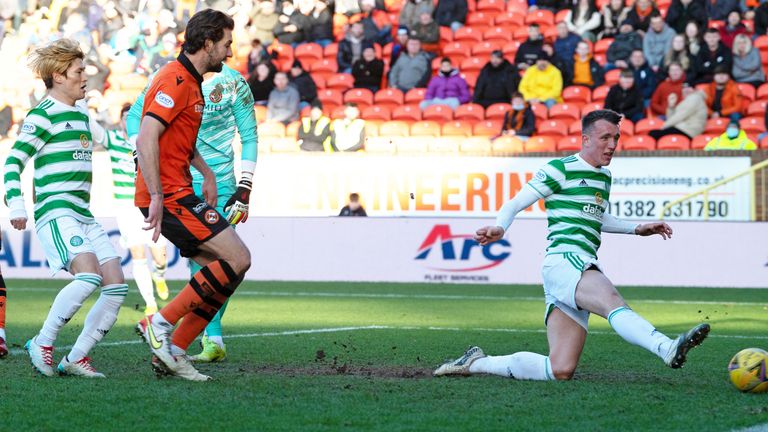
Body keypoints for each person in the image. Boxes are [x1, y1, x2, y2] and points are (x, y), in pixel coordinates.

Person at [434, 109, 710, 381]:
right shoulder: (561, 168)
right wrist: (499, 227)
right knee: (611, 301)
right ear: (586, 139)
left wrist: (636, 228)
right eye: (605, 138)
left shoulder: (603, 176)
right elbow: (516, 202)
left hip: (574, 265)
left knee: (559, 369)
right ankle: (666, 347)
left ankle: (477, 363)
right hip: (566, 259)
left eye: (616, 138)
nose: (612, 145)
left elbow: (596, 216)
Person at [134, 9, 252, 381]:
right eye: (226, 44)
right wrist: (156, 193)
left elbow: (179, 139)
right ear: (208, 43)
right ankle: (160, 323)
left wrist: (205, 171)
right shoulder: (174, 79)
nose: (230, 52)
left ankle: (174, 351)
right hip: (169, 195)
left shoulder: (191, 81)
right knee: (238, 256)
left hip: (179, 189)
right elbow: (146, 136)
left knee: (231, 269)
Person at [3, 39, 128, 378]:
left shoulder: (82, 113)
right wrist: (17, 204)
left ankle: (76, 357)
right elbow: (13, 161)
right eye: (78, 72)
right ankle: (42, 342)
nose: (85, 78)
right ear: (58, 76)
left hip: (82, 215)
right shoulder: (42, 115)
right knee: (89, 275)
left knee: (116, 284)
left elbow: (114, 141)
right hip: (56, 211)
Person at [92, 104, 169, 316]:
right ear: (120, 121)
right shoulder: (114, 141)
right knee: (137, 252)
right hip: (125, 206)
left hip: (147, 203)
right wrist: (83, 105)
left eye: (131, 117)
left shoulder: (147, 140)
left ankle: (159, 275)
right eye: (124, 116)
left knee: (160, 255)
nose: (127, 120)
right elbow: (96, 132)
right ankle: (150, 302)